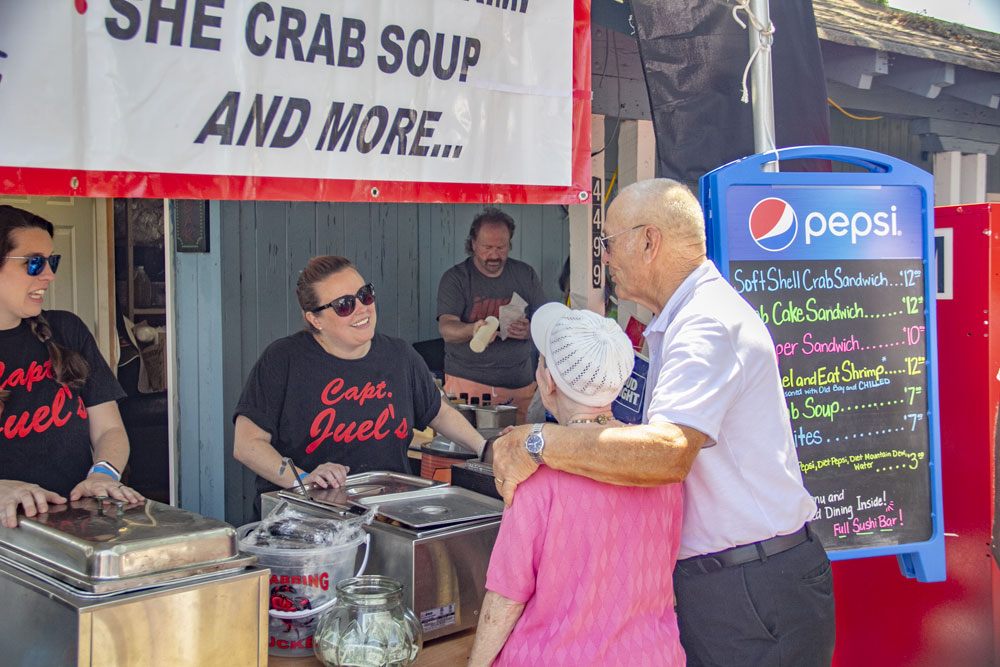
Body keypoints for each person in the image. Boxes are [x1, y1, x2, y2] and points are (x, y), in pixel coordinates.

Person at [491, 179, 835, 666]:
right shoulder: (689, 318)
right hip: (739, 579)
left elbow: (667, 452)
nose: (605, 258)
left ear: (649, 241)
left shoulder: (705, 325)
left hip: (751, 585)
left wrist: (538, 440)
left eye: (608, 243)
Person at [468, 303, 684, 667]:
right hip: (653, 656)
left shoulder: (534, 471)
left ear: (547, 382)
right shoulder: (654, 462)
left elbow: (506, 595)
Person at [233, 256, 485, 511]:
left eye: (365, 295)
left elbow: (439, 414)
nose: (362, 308)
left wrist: (484, 448)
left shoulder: (400, 356)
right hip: (304, 518)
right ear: (315, 319)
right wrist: (304, 479)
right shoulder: (283, 359)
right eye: (344, 305)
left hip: (387, 513)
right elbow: (247, 445)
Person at [0, 205, 143, 529]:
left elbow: (109, 429)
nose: (49, 274)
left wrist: (103, 473)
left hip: (72, 529)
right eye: (34, 263)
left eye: (53, 262)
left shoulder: (67, 330)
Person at [437, 207, 548, 422]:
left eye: (501, 247)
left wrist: (529, 330)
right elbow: (447, 328)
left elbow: (546, 321)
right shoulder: (456, 278)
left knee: (518, 451)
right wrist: (473, 329)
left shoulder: (525, 274)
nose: (494, 255)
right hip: (467, 385)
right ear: (473, 244)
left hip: (519, 386)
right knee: (468, 450)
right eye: (487, 247)